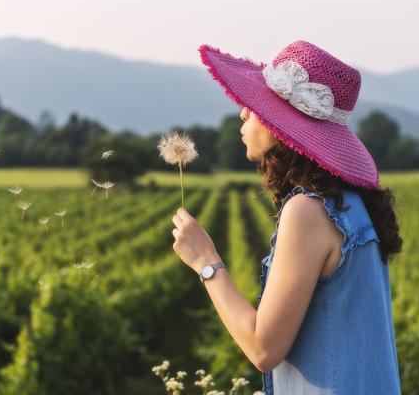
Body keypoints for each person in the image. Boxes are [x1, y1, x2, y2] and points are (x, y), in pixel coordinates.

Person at [171, 40, 403, 394]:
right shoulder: (351, 203)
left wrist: (206, 261)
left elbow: (264, 349)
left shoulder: (307, 211)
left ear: (282, 125)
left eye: (256, 106)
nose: (243, 114)